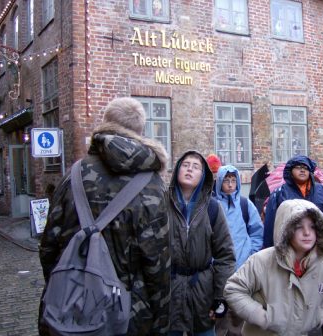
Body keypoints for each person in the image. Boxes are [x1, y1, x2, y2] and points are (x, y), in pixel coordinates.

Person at [38, 97, 170, 336]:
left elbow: (48, 246)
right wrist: (160, 320)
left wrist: (70, 283)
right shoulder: (152, 184)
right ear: (140, 130)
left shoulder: (74, 175)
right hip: (129, 314)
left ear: (105, 123)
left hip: (70, 309)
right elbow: (157, 259)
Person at [224, 199, 323, 336]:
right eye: (298, 227)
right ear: (285, 230)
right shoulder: (262, 261)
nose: (307, 232)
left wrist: (318, 316)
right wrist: (262, 317)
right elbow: (233, 289)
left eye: (313, 226)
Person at [167, 150, 236, 336]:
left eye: (196, 167)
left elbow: (225, 256)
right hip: (169, 291)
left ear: (203, 175)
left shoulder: (212, 208)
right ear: (177, 170)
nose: (190, 169)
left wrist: (220, 297)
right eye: (185, 165)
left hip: (202, 292)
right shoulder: (162, 204)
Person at [214, 165, 264, 335]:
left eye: (233, 180)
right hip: (218, 268)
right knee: (219, 308)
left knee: (239, 308)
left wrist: (251, 254)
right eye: (226, 180)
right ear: (219, 182)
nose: (230, 184)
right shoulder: (213, 205)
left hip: (242, 265)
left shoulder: (244, 204)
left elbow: (257, 231)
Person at [263, 155, 323, 249]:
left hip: (319, 246)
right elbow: (270, 224)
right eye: (298, 167)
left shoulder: (322, 191)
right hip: (290, 247)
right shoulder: (280, 193)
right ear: (290, 171)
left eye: (306, 168)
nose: (302, 170)